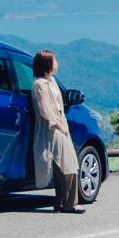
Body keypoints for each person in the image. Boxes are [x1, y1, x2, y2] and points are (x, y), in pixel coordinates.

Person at [31, 50, 81, 213]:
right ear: (47, 64)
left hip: (60, 126)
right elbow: (45, 110)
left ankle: (61, 202)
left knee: (64, 165)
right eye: (54, 61)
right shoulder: (40, 85)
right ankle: (70, 204)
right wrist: (60, 126)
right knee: (67, 165)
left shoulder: (51, 81)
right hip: (52, 129)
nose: (57, 64)